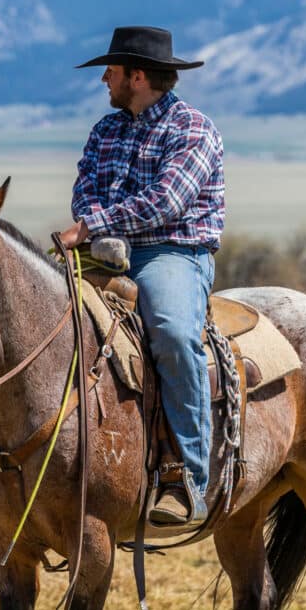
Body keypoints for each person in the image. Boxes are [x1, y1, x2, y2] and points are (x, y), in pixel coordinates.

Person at [59, 26, 225, 527]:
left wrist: (96, 224)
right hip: (103, 250)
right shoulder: (104, 130)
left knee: (173, 335)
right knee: (31, 318)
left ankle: (189, 477)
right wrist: (92, 225)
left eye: (111, 69)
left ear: (137, 75)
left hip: (174, 251)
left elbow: (167, 203)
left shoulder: (193, 129)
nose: (104, 78)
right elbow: (84, 190)